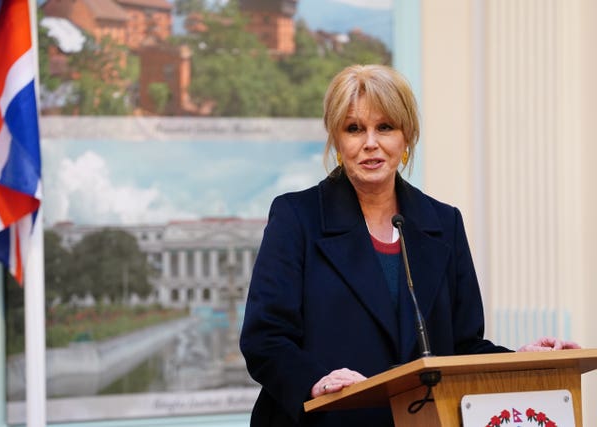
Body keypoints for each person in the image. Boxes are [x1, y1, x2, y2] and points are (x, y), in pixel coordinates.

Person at [239, 64, 579, 427]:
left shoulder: (443, 223)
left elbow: (461, 346)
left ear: (407, 136)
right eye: (354, 128)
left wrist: (520, 360)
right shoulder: (296, 218)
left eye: (385, 127)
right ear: (337, 140)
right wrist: (315, 382)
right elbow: (266, 339)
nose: (371, 142)